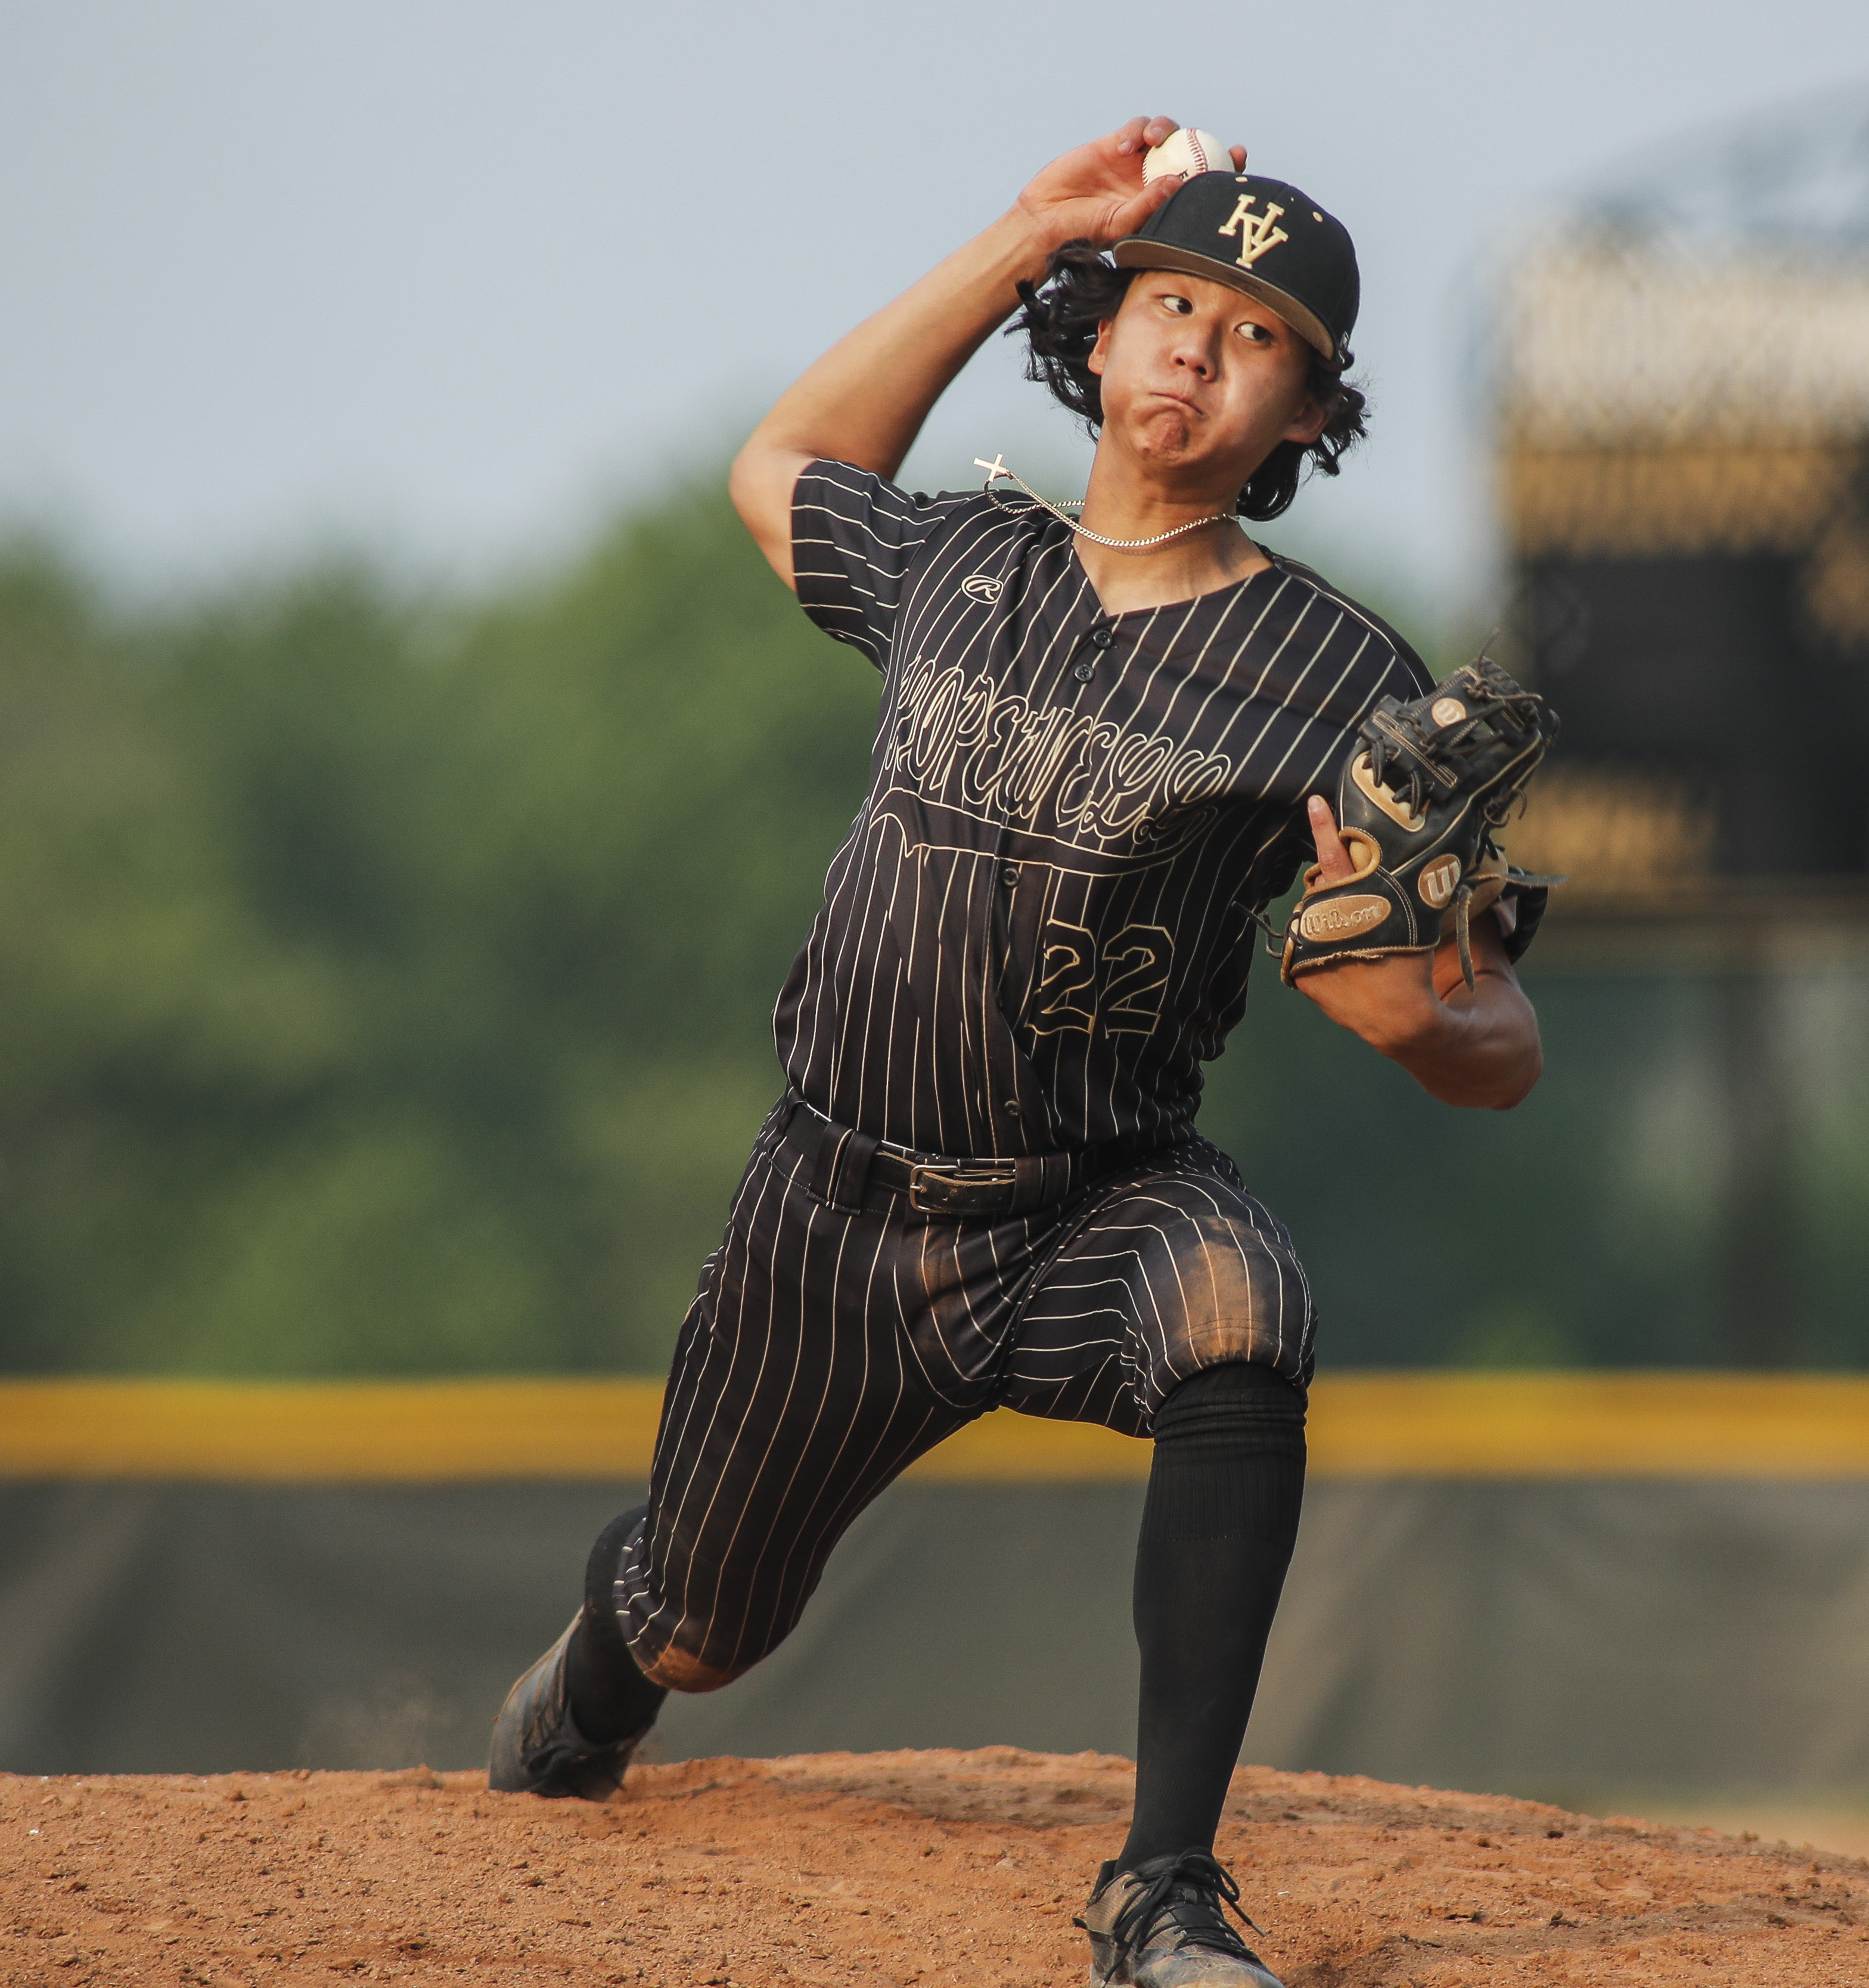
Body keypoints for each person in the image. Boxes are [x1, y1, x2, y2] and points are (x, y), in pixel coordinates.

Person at [485, 118, 1545, 1988]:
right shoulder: (965, 561)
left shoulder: (1339, 680)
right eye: (1173, 303)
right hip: (828, 1212)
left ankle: (1164, 1889)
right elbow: (784, 464)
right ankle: (603, 1658)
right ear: (1105, 331)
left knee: (1242, 1314)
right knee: (701, 1623)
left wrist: (1431, 1019)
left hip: (1086, 1210)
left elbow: (1504, 1041)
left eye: (1260, 338)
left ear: (1306, 414)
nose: (1201, 349)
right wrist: (1019, 236)